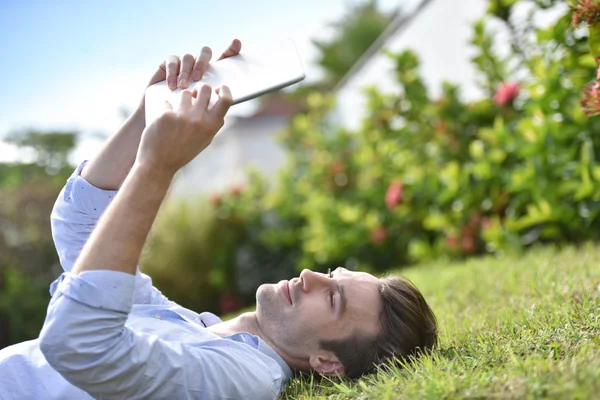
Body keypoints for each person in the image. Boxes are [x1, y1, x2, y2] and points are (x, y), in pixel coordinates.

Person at [0, 39, 437, 400]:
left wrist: (158, 166)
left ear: (328, 363)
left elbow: (79, 344)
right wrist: (149, 115)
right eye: (328, 274)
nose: (308, 276)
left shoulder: (238, 379)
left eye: (332, 298)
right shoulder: (190, 325)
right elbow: (80, 225)